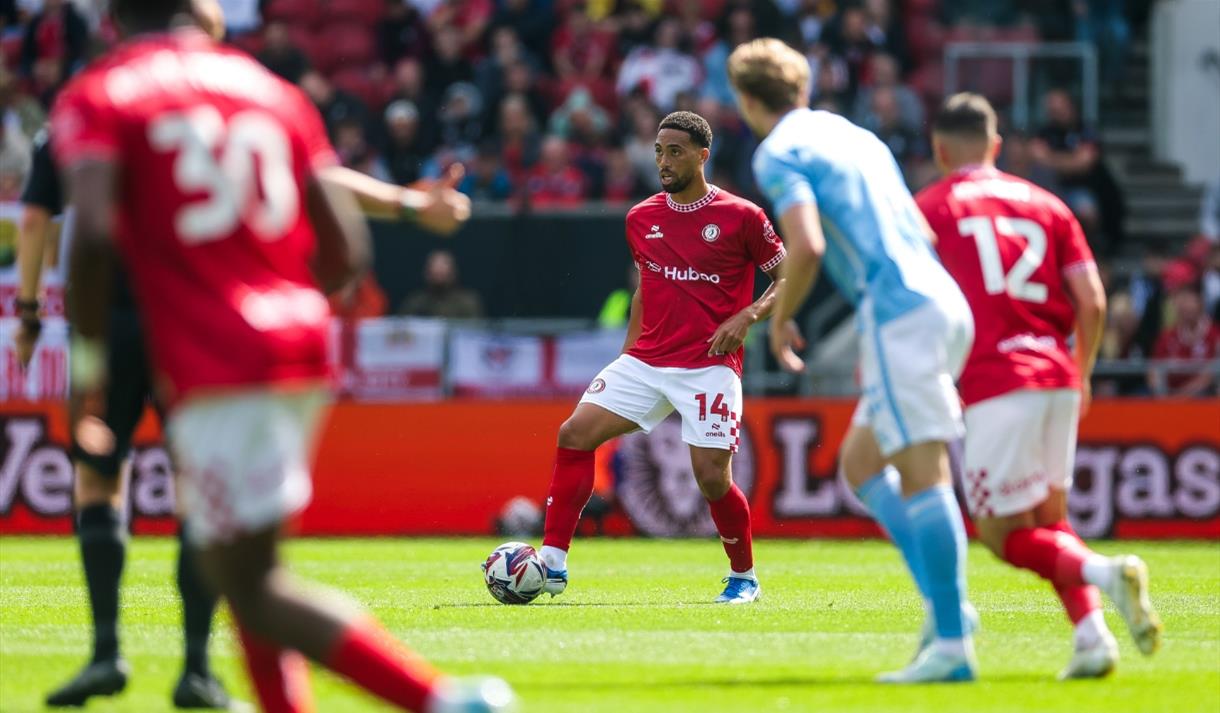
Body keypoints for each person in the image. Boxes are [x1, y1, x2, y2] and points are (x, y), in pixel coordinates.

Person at [48, 2, 511, 712]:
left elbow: (87, 237)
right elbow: (345, 249)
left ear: (112, 19)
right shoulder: (272, 91)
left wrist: (87, 374)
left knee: (254, 586)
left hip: (218, 358)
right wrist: (274, 296)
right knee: (242, 568)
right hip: (294, 342)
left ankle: (446, 700)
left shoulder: (102, 93)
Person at [729, 37, 977, 683]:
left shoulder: (779, 151)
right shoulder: (857, 135)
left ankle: (952, 639)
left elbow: (805, 243)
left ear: (747, 100)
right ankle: (946, 608)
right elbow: (919, 226)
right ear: (803, 87)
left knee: (924, 473)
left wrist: (779, 318)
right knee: (863, 464)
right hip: (937, 296)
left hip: (897, 311)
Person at [919, 93, 1162, 679]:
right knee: (1048, 520)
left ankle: (1108, 573)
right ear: (997, 146)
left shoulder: (930, 207)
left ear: (939, 149)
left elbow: (917, 299)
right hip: (1056, 374)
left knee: (1001, 534)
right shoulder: (1049, 204)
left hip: (996, 383)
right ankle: (1093, 637)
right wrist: (1081, 373)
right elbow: (1093, 299)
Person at [537, 111, 787, 605]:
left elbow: (787, 277)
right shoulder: (641, 218)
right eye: (658, 151)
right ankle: (552, 562)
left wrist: (748, 318)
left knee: (712, 478)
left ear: (701, 155)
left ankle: (744, 578)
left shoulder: (743, 216)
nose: (664, 161)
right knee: (574, 434)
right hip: (647, 361)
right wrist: (626, 357)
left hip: (710, 364)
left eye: (675, 151)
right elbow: (644, 293)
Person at [1149, 278, 1220, 396]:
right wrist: (1162, 393)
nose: (1185, 306)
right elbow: (1153, 372)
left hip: (1205, 400)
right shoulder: (1166, 337)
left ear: (1200, 302)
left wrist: (1181, 397)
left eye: (1189, 301)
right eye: (1180, 301)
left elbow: (1210, 375)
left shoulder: (1216, 335)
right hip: (1169, 400)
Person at [399, 250, 484, 319]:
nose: (439, 271)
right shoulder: (414, 302)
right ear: (426, 273)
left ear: (453, 272)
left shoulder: (468, 302)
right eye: (435, 269)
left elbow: (475, 332)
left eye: (443, 270)